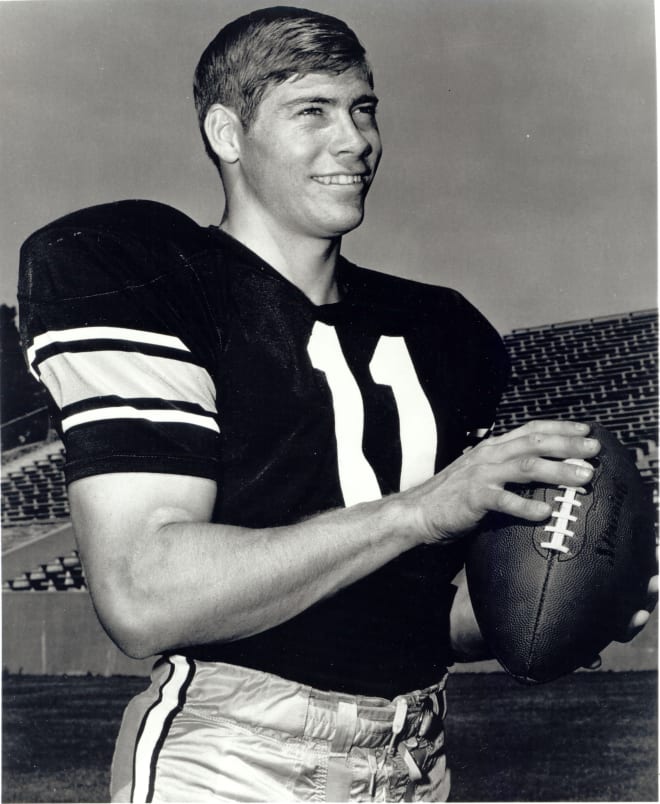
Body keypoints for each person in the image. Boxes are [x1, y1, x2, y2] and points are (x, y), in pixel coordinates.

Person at [18, 6, 656, 802]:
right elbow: (142, 594)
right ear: (226, 133)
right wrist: (420, 510)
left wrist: (570, 605)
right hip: (233, 759)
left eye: (364, 108)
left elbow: (419, 619)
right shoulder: (149, 273)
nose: (354, 139)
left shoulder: (442, 331)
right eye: (311, 110)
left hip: (416, 762)